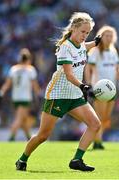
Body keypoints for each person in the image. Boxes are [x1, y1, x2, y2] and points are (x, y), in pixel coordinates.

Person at [15, 12, 102, 172]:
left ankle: (77, 159)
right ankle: (22, 159)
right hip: (58, 95)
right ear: (74, 28)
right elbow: (69, 75)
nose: (85, 35)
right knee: (43, 136)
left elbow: (84, 47)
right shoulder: (65, 48)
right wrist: (83, 86)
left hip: (74, 95)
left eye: (88, 32)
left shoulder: (81, 44)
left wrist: (95, 43)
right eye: (83, 31)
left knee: (95, 124)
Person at [85, 25, 119, 150]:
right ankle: (97, 141)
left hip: (111, 88)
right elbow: (89, 68)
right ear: (101, 37)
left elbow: (117, 68)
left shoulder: (113, 52)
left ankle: (98, 138)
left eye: (111, 36)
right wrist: (89, 85)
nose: (109, 38)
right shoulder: (96, 51)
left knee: (106, 117)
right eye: (106, 35)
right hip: (100, 88)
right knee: (99, 115)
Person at [0, 48, 40, 141]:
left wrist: (1, 92)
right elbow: (34, 85)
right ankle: (11, 137)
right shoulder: (30, 69)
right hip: (25, 98)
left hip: (15, 98)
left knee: (23, 119)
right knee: (19, 119)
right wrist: (39, 94)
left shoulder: (13, 69)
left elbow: (7, 83)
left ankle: (29, 138)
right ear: (29, 59)